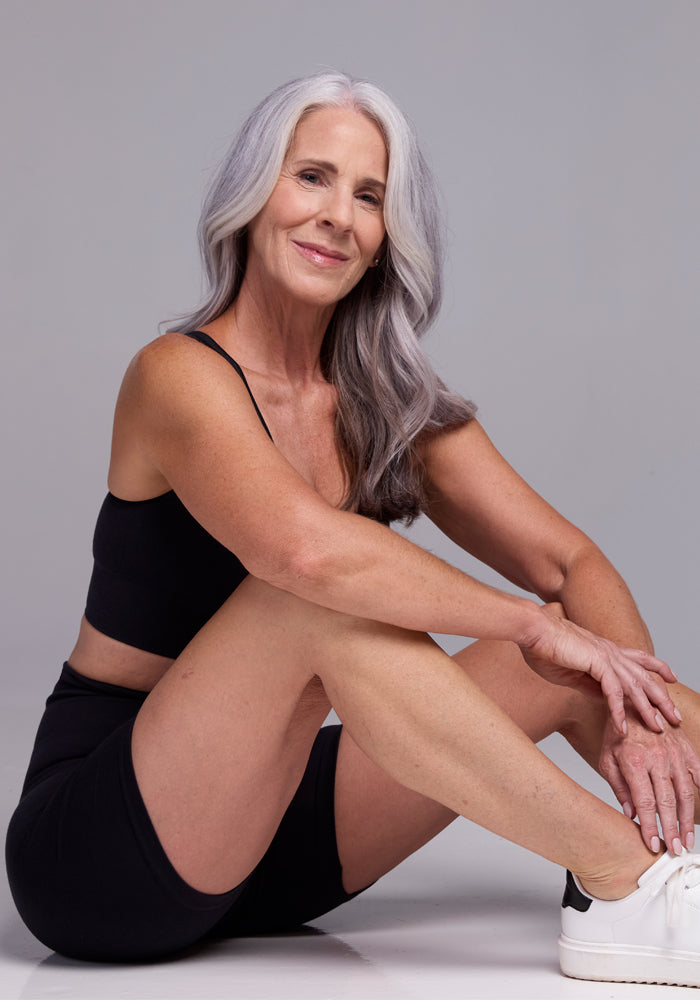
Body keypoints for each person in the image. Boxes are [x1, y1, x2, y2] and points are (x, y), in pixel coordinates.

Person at [6, 71, 700, 987]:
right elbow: (305, 554)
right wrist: (533, 624)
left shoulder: (389, 408)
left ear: (384, 240)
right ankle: (633, 882)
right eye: (312, 178)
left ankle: (666, 850)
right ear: (254, 198)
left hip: (279, 833)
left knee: (576, 663)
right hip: (109, 843)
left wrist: (639, 721)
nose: (338, 214)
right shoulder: (176, 375)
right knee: (314, 601)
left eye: (368, 195)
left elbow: (570, 561)